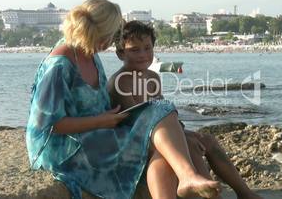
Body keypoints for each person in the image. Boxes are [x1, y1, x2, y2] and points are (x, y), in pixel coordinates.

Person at [26, 0, 221, 199]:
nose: (113, 41)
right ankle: (188, 176)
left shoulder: (88, 51)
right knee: (159, 115)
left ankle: (188, 178)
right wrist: (101, 121)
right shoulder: (60, 65)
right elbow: (48, 125)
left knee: (163, 128)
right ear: (98, 33)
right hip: (64, 148)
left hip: (97, 130)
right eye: (112, 35)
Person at [108, 20, 263, 199]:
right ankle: (210, 194)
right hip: (133, 140)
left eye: (147, 48)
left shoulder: (152, 78)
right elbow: (138, 124)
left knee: (208, 141)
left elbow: (161, 114)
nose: (143, 54)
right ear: (120, 53)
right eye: (135, 50)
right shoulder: (120, 82)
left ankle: (245, 193)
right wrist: (185, 136)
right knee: (190, 144)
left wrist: (185, 132)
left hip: (156, 135)